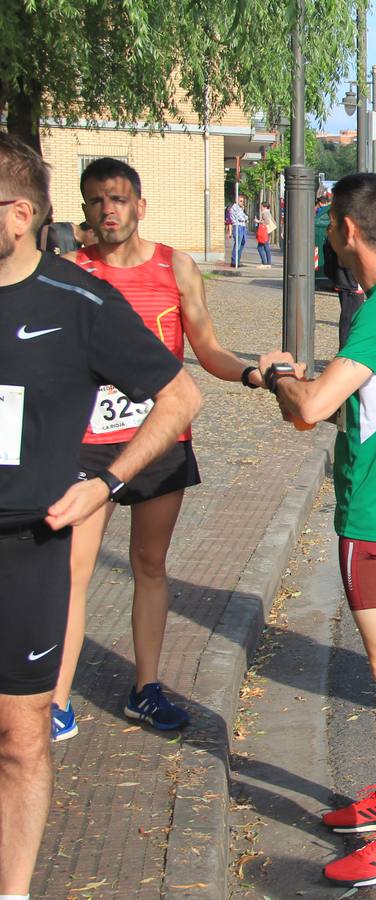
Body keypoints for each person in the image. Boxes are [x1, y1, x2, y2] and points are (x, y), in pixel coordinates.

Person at [0, 132, 201, 899]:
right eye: (97, 202)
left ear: (19, 214)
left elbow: (181, 390)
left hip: (26, 542)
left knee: (19, 743)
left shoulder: (78, 301)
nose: (107, 213)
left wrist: (108, 481)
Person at [260, 172, 376, 888]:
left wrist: (278, 376)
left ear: (344, 230)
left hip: (374, 507)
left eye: (325, 225)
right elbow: (375, 394)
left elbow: (307, 409)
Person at [49, 156, 266, 742]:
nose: (107, 210)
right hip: (88, 444)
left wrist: (249, 374)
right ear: (86, 208)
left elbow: (207, 348)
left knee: (149, 563)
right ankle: (57, 702)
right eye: (96, 200)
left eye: (118, 199)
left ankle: (145, 689)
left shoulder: (177, 267)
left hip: (161, 440)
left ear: (140, 205)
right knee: (73, 570)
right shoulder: (70, 271)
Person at [228, 195, 249, 268]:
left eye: (243, 201)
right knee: (238, 244)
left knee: (242, 243)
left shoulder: (240, 209)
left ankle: (238, 260)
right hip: (237, 226)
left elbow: (246, 217)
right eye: (241, 201)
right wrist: (245, 218)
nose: (242, 203)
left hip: (243, 227)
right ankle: (234, 261)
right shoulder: (235, 208)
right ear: (236, 200)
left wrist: (245, 217)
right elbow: (241, 218)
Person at [256, 201, 276, 267]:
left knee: (261, 247)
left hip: (264, 232)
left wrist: (258, 221)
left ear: (264, 207)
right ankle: (268, 263)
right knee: (265, 247)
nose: (260, 208)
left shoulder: (264, 213)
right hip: (267, 231)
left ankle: (265, 263)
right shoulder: (268, 212)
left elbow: (266, 221)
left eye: (261, 206)